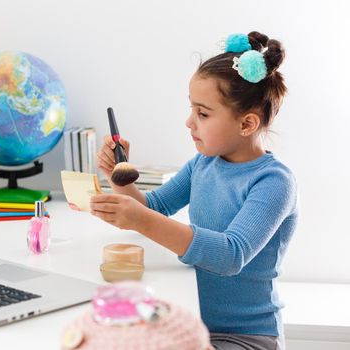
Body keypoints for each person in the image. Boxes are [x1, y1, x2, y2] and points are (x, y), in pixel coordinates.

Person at [91, 31, 298, 350]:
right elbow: (154, 207)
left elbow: (231, 255)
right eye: (192, 109)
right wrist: (117, 177)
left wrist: (140, 220)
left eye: (203, 114)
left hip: (245, 336)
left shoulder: (273, 182)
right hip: (193, 322)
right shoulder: (203, 164)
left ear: (247, 125)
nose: (189, 122)